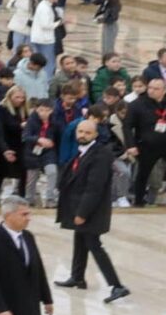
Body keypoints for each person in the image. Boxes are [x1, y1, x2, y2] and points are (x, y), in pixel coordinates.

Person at [53, 118, 130, 303]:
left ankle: (117, 285)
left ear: (95, 134)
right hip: (78, 205)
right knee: (80, 240)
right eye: (80, 132)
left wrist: (82, 213)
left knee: (94, 245)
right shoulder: (81, 152)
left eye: (87, 132)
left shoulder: (101, 155)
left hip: (91, 210)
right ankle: (77, 277)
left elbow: (94, 188)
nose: (82, 135)